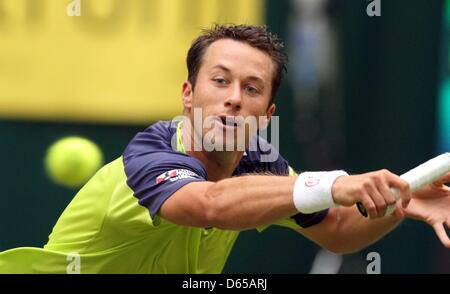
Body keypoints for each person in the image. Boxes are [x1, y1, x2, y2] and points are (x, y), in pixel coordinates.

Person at [1, 24, 449, 274]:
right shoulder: (150, 154)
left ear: (267, 113)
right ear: (188, 95)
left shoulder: (261, 164)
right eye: (220, 81)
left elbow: (335, 230)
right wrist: (335, 184)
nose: (234, 97)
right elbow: (211, 205)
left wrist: (399, 200)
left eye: (251, 88)